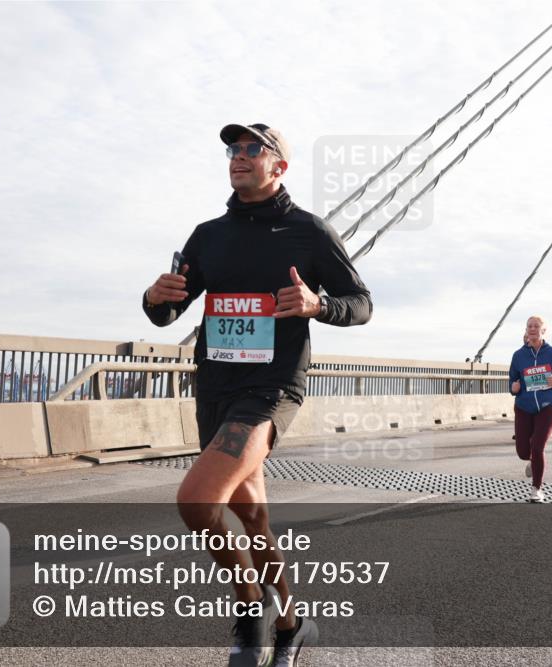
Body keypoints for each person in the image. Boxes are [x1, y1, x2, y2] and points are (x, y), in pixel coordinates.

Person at [144, 122, 371, 666]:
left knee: (198, 501)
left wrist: (319, 306)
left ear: (279, 166)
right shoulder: (207, 235)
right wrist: (155, 298)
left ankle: (250, 612)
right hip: (215, 387)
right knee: (254, 521)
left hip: (271, 389)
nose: (238, 155)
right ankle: (291, 623)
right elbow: (169, 309)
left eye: (253, 148)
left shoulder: (309, 232)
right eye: (233, 148)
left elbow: (360, 302)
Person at [509, 315, 552, 503]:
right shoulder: (518, 355)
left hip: (547, 406)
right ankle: (532, 460)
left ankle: (537, 489)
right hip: (524, 406)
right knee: (523, 451)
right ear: (526, 330)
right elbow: (512, 381)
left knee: (537, 446)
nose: (532, 329)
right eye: (529, 326)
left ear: (543, 330)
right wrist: (513, 387)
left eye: (536, 326)